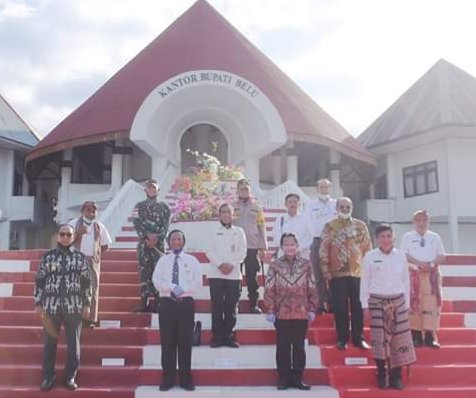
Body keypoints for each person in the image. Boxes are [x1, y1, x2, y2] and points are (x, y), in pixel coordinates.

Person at [34, 224, 92, 391]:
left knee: (74, 344)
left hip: (73, 306)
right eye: (63, 234)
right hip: (51, 307)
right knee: (49, 344)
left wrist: (87, 303)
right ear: (57, 236)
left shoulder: (80, 258)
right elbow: (39, 281)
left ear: (73, 237)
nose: (65, 237)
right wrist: (38, 302)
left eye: (69, 234)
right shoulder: (48, 257)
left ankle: (70, 377)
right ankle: (48, 376)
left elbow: (87, 283)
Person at [360, 224, 416, 390]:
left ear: (393, 237)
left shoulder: (401, 256)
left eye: (388, 236)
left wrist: (407, 303)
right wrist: (364, 305)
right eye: (382, 236)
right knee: (379, 341)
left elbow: (406, 281)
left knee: (399, 341)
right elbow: (364, 283)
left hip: (398, 302)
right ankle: (381, 373)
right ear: (377, 239)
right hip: (377, 302)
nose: (386, 239)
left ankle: (396, 376)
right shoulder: (370, 256)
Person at [264, 232, 317, 391]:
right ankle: (284, 378)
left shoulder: (306, 264)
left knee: (299, 347)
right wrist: (271, 309)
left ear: (297, 246)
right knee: (283, 347)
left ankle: (298, 378)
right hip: (282, 313)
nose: (290, 247)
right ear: (281, 247)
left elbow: (312, 286)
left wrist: (312, 308)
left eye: (292, 244)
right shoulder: (274, 265)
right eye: (286, 245)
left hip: (301, 312)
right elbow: (269, 288)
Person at [152, 230, 202, 391]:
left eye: (179, 238)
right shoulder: (163, 261)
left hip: (185, 304)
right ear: (169, 242)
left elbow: (197, 283)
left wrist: (183, 290)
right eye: (173, 239)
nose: (176, 241)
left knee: (185, 343)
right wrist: (172, 287)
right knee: (167, 342)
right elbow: (156, 280)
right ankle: (168, 377)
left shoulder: (192, 260)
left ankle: (186, 379)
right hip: (167, 303)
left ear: (183, 241)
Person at [319, 197, 372, 350]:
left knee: (358, 306)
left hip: (358, 272)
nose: (344, 209)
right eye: (341, 206)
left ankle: (358, 337)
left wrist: (369, 271)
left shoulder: (361, 226)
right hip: (337, 273)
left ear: (352, 207)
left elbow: (368, 249)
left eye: (347, 206)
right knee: (340, 306)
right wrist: (325, 269)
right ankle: (342, 338)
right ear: (336, 208)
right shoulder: (330, 226)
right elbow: (323, 249)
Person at [400, 209, 446, 348]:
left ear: (428, 221)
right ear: (414, 222)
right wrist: (419, 264)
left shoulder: (435, 237)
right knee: (415, 303)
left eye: (424, 220)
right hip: (414, 273)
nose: (421, 223)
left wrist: (430, 265)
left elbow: (441, 255)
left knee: (431, 304)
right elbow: (404, 255)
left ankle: (430, 336)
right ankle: (416, 335)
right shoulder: (407, 237)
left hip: (431, 274)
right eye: (418, 220)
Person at [207, 203, 247, 348]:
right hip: (216, 274)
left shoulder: (240, 231)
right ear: (219, 214)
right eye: (223, 212)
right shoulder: (212, 231)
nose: (226, 214)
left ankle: (229, 336)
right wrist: (220, 264)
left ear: (233, 215)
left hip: (234, 274)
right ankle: (217, 337)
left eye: (228, 212)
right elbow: (209, 251)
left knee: (231, 307)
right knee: (217, 307)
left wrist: (231, 264)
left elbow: (242, 252)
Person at [69, 201, 112, 328]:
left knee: (92, 289)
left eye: (93, 211)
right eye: (88, 210)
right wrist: (77, 233)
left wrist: (96, 255)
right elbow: (64, 241)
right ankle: (73, 317)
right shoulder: (72, 224)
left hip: (92, 262)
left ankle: (90, 319)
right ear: (82, 211)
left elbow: (106, 245)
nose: (91, 213)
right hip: (75, 261)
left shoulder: (100, 226)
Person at [133, 178, 170, 312]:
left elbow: (166, 226)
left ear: (158, 190)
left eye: (154, 188)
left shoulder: (164, 207)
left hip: (158, 246)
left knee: (159, 272)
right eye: (149, 188)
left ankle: (159, 302)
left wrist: (157, 238)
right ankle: (144, 302)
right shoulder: (138, 206)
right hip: (144, 245)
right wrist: (145, 237)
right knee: (144, 272)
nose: (151, 190)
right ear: (145, 190)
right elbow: (136, 223)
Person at [233, 178, 267, 313]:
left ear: (249, 191)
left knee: (252, 277)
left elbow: (262, 226)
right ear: (237, 191)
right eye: (241, 189)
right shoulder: (232, 207)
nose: (244, 191)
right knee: (236, 277)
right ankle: (234, 304)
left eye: (246, 189)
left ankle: (254, 304)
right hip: (235, 247)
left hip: (252, 246)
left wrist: (263, 247)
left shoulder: (257, 208)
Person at [306, 179, 337, 314]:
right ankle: (321, 303)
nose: (324, 189)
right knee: (318, 274)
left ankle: (333, 302)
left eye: (326, 187)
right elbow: (307, 223)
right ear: (317, 189)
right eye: (321, 187)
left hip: (334, 241)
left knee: (333, 273)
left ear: (330, 188)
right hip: (317, 240)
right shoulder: (310, 205)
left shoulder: (336, 204)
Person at [273, 193, 312, 260]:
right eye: (290, 202)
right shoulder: (280, 219)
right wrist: (287, 249)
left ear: (299, 204)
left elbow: (309, 237)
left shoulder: (306, 219)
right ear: (285, 204)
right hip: (284, 255)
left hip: (301, 255)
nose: (292, 204)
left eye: (295, 202)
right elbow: (276, 236)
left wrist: (298, 249)